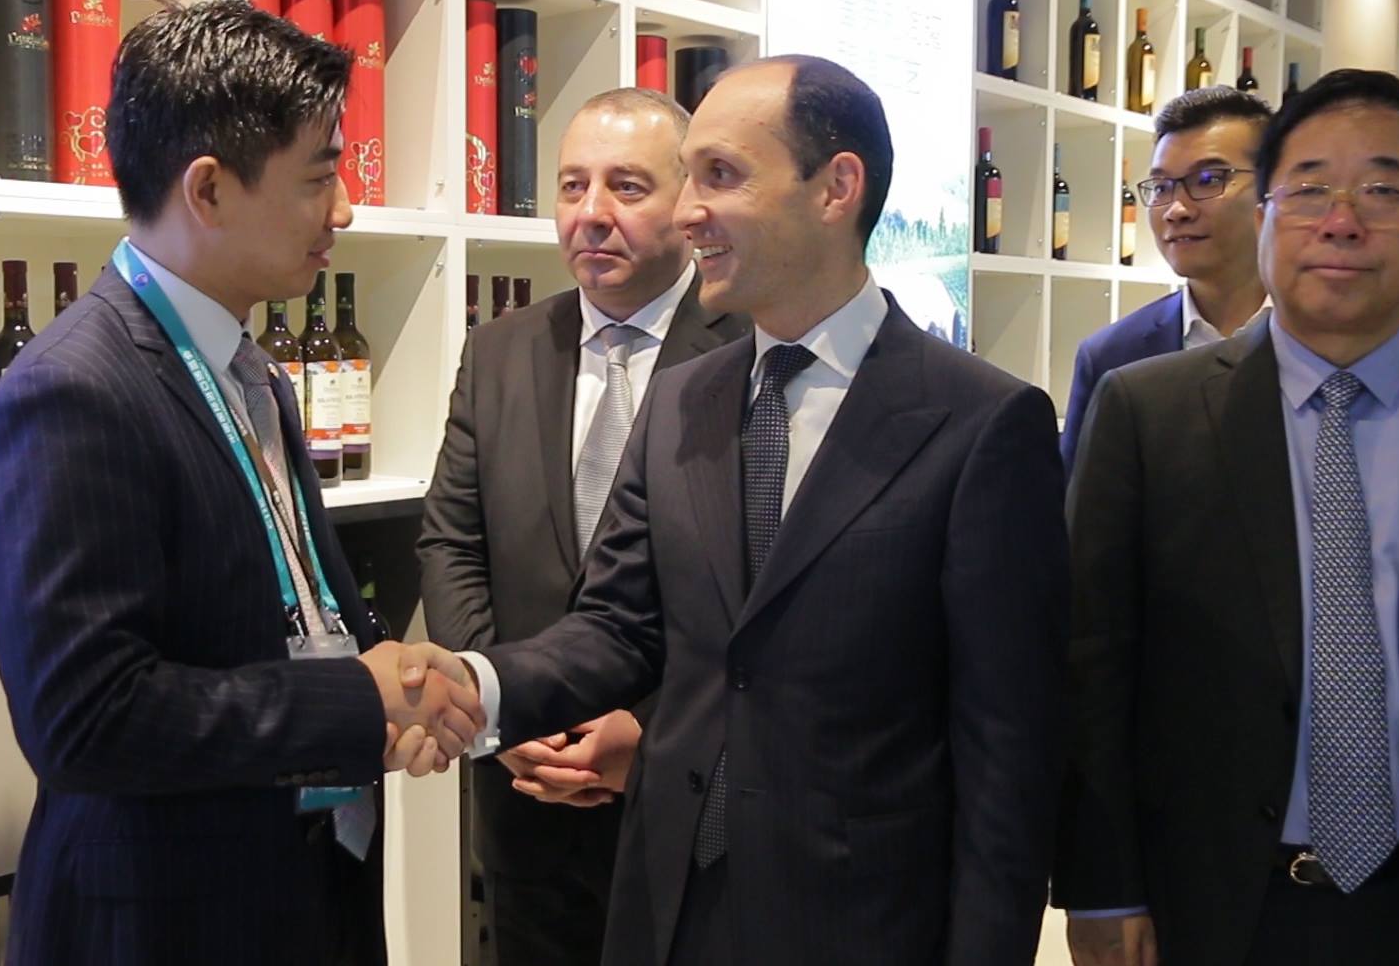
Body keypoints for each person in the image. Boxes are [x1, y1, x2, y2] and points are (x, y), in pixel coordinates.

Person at [411, 54, 1068, 964]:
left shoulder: (982, 423)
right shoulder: (684, 399)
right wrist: (474, 687)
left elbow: (1009, 750)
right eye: (687, 178)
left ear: (836, 188)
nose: (688, 212)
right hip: (668, 909)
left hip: (862, 924)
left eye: (719, 175)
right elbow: (618, 626)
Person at [0, 0, 480, 966]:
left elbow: (278, 616)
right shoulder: (72, 391)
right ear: (207, 189)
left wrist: (398, 690)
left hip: (301, 893)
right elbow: (86, 719)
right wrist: (355, 703)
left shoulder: (247, 371)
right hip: (168, 920)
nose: (344, 210)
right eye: (319, 178)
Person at [1056, 69, 1399, 966]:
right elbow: (1091, 663)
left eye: (1384, 190)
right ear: (1266, 213)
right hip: (1212, 907)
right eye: (1308, 189)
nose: (1341, 221)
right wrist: (1103, 886)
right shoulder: (1146, 413)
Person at [417, 87, 748, 965]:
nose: (591, 213)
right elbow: (451, 544)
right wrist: (500, 710)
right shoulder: (499, 350)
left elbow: (756, 590)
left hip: (685, 798)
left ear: (686, 201)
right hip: (523, 800)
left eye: (626, 187)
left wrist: (650, 730)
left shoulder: (751, 353)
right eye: (572, 186)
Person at [1057, 86, 1399, 469]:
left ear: (1272, 192)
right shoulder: (1113, 355)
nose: (1177, 210)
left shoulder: (1390, 322)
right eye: (1161, 187)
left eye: (1209, 179)